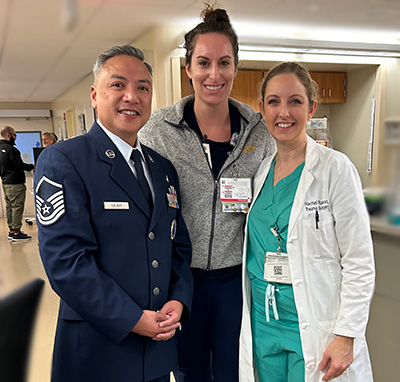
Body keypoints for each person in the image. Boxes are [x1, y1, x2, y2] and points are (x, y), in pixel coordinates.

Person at [34, 45, 193, 382]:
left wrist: (179, 301)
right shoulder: (65, 161)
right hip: (99, 347)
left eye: (142, 88)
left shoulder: (161, 169)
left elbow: (176, 247)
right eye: (118, 85)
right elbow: (67, 263)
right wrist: (134, 319)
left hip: (157, 348)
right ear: (95, 95)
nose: (131, 97)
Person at [139, 5, 275, 382]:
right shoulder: (158, 132)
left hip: (237, 281)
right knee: (189, 370)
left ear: (235, 67)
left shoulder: (258, 132)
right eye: (203, 63)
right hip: (180, 281)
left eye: (224, 63)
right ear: (188, 69)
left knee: (235, 370)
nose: (214, 74)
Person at [239, 61, 375, 382]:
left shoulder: (334, 169)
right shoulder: (259, 172)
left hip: (314, 321)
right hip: (263, 322)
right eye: (274, 102)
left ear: (311, 107)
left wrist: (347, 334)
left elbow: (358, 260)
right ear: (261, 109)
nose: (283, 112)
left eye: (295, 101)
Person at [0, 125, 34, 241]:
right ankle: (16, 232)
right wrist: (32, 166)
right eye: (15, 135)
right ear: (9, 135)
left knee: (10, 206)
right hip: (15, 183)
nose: (15, 137)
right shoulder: (12, 150)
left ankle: (11, 230)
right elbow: (19, 165)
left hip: (5, 182)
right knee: (17, 207)